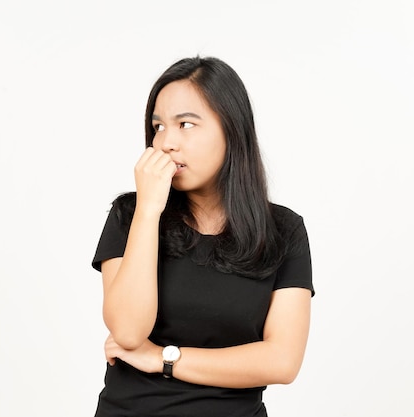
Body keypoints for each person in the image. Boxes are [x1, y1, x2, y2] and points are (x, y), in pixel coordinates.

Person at [91, 55, 314, 417]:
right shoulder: (130, 214)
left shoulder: (283, 231)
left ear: (232, 129)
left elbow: (282, 361)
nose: (166, 143)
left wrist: (163, 358)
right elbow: (129, 332)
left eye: (186, 124)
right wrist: (149, 210)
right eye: (158, 126)